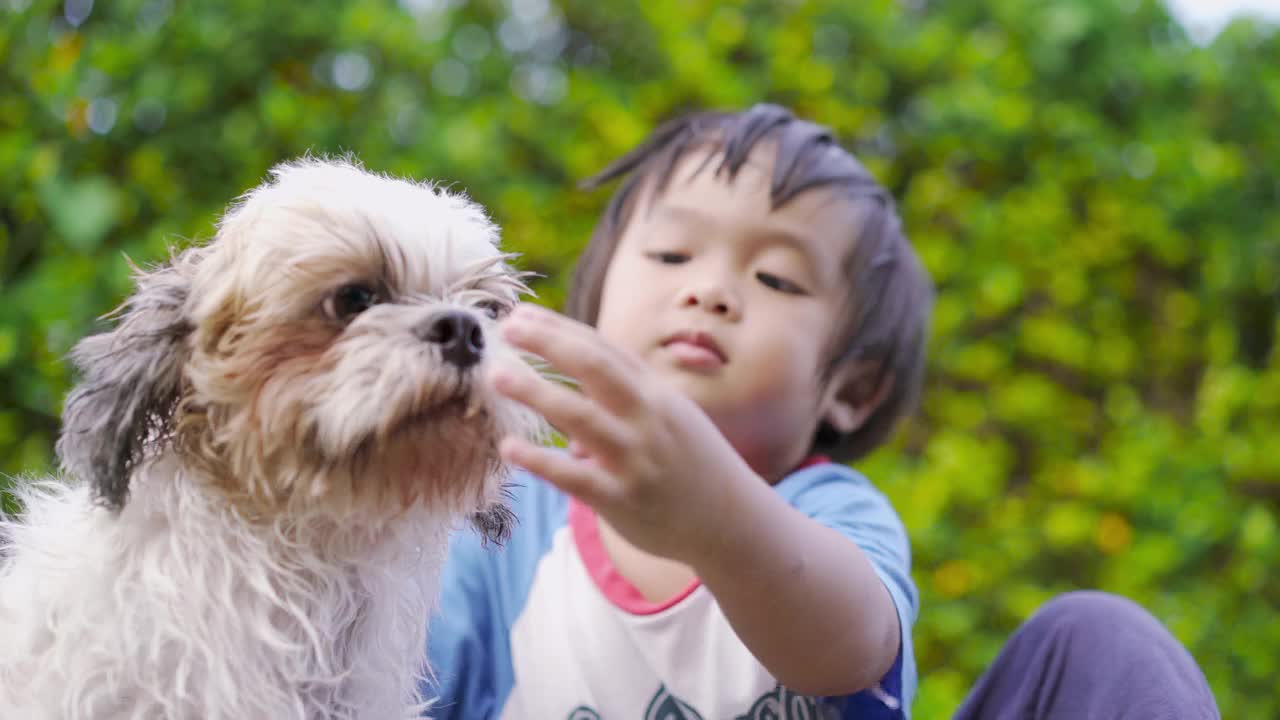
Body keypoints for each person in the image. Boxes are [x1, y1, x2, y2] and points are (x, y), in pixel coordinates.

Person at [423, 104, 1219, 719]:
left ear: (852, 389)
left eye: (777, 280)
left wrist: (711, 517)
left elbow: (848, 649)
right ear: (590, 308)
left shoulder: (826, 513)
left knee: (1099, 642)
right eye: (671, 255)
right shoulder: (502, 522)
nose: (708, 290)